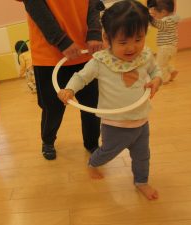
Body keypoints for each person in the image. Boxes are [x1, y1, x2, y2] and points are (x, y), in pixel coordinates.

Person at [58, 0, 162, 200]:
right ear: (107, 38)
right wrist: (69, 89)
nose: (132, 47)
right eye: (123, 42)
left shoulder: (145, 56)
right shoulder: (101, 62)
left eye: (139, 39)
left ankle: (141, 181)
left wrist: (157, 79)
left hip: (141, 121)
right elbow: (81, 76)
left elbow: (155, 70)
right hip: (115, 124)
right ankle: (93, 163)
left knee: (142, 156)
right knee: (107, 151)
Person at [21, 0, 103, 160]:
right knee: (52, 109)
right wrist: (61, 40)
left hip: (84, 51)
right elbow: (33, 4)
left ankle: (92, 143)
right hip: (49, 56)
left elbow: (93, 2)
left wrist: (94, 31)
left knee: (92, 106)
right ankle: (48, 141)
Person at [147, 0, 180, 84]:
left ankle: (164, 79)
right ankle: (172, 71)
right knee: (163, 61)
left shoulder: (167, 21)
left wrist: (151, 19)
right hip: (170, 47)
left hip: (166, 47)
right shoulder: (172, 19)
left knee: (160, 64)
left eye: (156, 14)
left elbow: (159, 24)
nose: (156, 16)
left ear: (164, 12)